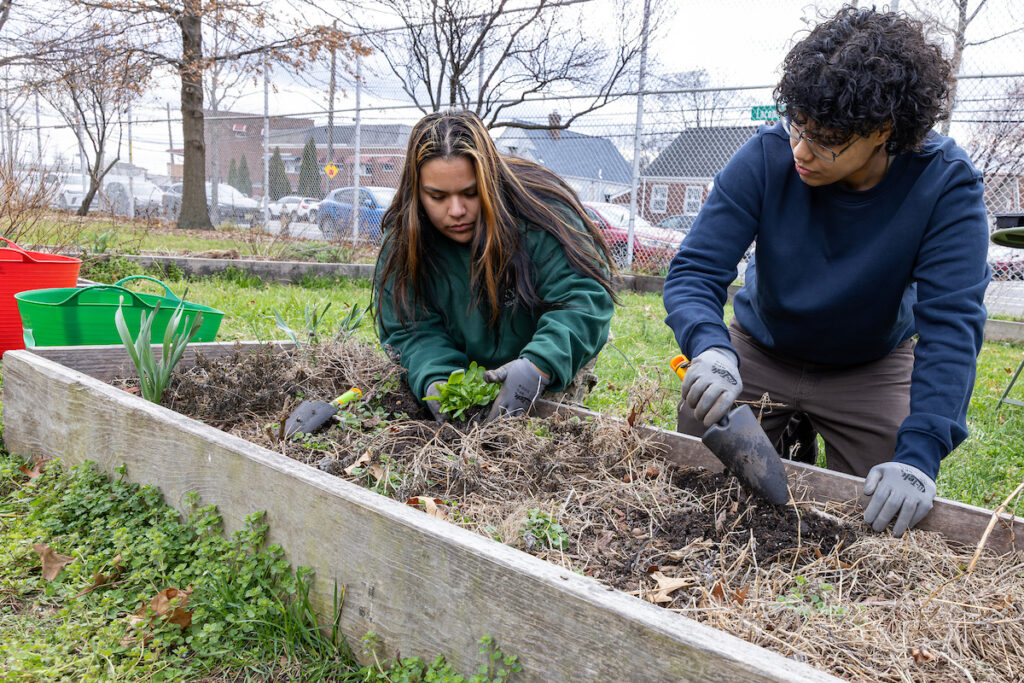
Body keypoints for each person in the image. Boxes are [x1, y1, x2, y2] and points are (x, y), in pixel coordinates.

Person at [663, 6, 990, 536]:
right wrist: (711, 346)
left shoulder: (945, 185)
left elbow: (951, 325)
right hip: (760, 348)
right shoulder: (767, 156)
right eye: (797, 125)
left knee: (880, 516)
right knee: (701, 470)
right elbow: (696, 269)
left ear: (883, 129)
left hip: (870, 364)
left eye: (825, 138)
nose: (800, 149)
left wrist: (920, 452)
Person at [374, 110, 616, 423]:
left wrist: (540, 364)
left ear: (489, 180)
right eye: (437, 196)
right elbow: (410, 328)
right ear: (417, 191)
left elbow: (584, 298)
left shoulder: (543, 212)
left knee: (541, 440)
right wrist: (435, 376)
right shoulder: (404, 241)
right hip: (461, 364)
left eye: (471, 193)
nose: (456, 210)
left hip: (547, 354)